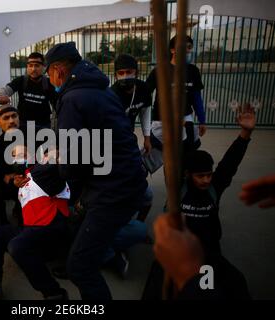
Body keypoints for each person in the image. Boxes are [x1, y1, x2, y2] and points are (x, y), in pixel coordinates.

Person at [45, 42, 148, 299]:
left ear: (57, 70)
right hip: (126, 182)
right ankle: (108, 254)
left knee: (79, 267)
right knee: (78, 223)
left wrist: (57, 160)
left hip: (112, 190)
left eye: (49, 74)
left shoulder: (71, 98)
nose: (50, 80)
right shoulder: (102, 90)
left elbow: (73, 165)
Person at [143, 104, 255, 300]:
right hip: (177, 251)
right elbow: (174, 155)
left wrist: (245, 133)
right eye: (200, 176)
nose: (206, 180)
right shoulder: (178, 188)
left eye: (209, 175)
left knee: (230, 285)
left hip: (206, 254)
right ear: (187, 175)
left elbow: (230, 163)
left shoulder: (214, 188)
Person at [0, 145, 70, 300]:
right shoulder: (26, 177)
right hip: (32, 232)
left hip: (51, 234)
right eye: (16, 155)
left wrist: (57, 158)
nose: (20, 157)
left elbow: (56, 168)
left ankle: (54, 294)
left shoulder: (47, 174)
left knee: (18, 245)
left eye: (24, 154)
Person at [111, 53, 154, 222]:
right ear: (115, 75)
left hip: (129, 139)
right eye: (120, 73)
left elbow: (145, 113)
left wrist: (147, 137)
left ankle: (139, 225)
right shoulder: (111, 94)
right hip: (114, 142)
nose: (125, 76)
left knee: (143, 186)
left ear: (136, 72)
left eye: (129, 71)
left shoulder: (143, 89)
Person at [146, 35, 206, 153]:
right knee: (165, 155)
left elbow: (196, 98)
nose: (187, 50)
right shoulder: (160, 71)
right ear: (172, 50)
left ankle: (184, 171)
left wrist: (202, 120)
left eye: (189, 47)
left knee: (186, 153)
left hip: (185, 118)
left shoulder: (193, 71)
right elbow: (146, 93)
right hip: (162, 119)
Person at [0, 52, 57, 129]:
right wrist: (2, 96)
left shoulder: (49, 83)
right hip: (23, 125)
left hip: (43, 126)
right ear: (27, 67)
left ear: (43, 67)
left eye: (37, 65)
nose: (33, 69)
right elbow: (5, 90)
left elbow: (57, 106)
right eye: (30, 65)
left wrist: (54, 126)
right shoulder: (21, 81)